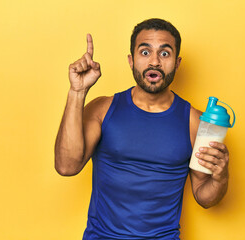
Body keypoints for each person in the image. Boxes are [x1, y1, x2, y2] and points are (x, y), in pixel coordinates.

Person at [54, 18, 230, 240]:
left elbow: (204, 197)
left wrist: (221, 178)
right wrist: (77, 92)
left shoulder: (195, 122)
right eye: (145, 52)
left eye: (165, 54)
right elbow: (66, 166)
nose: (154, 62)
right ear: (131, 60)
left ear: (177, 63)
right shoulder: (102, 109)